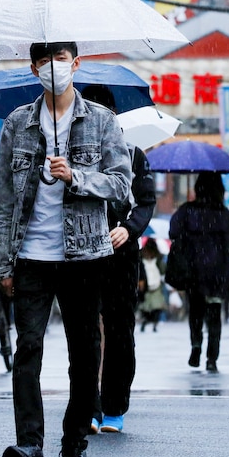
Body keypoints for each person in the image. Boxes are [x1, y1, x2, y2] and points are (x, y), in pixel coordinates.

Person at [0, 42, 131, 457]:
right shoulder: (16, 124)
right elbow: (4, 202)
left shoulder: (102, 121)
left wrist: (76, 176)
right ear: (33, 67)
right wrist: (4, 263)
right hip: (31, 257)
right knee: (28, 349)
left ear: (75, 64)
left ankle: (74, 440)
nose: (53, 68)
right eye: (44, 61)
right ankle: (29, 443)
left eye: (61, 60)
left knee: (85, 351)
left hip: (85, 256)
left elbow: (122, 187)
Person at [80, 85, 156, 435]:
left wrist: (128, 229)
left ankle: (114, 406)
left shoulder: (134, 154)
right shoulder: (72, 153)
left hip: (122, 253)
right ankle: (87, 405)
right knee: (84, 331)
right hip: (81, 250)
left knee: (119, 329)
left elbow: (145, 202)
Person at [168, 172, 229, 374]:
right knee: (215, 316)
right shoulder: (224, 215)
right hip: (217, 275)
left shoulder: (186, 211)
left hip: (193, 273)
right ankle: (212, 358)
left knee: (195, 312)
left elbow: (173, 233)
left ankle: (196, 344)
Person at [138, 238, 166, 333]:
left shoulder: (141, 257)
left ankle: (146, 322)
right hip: (153, 285)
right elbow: (163, 270)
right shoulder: (158, 257)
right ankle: (153, 323)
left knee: (147, 308)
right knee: (155, 308)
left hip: (147, 285)